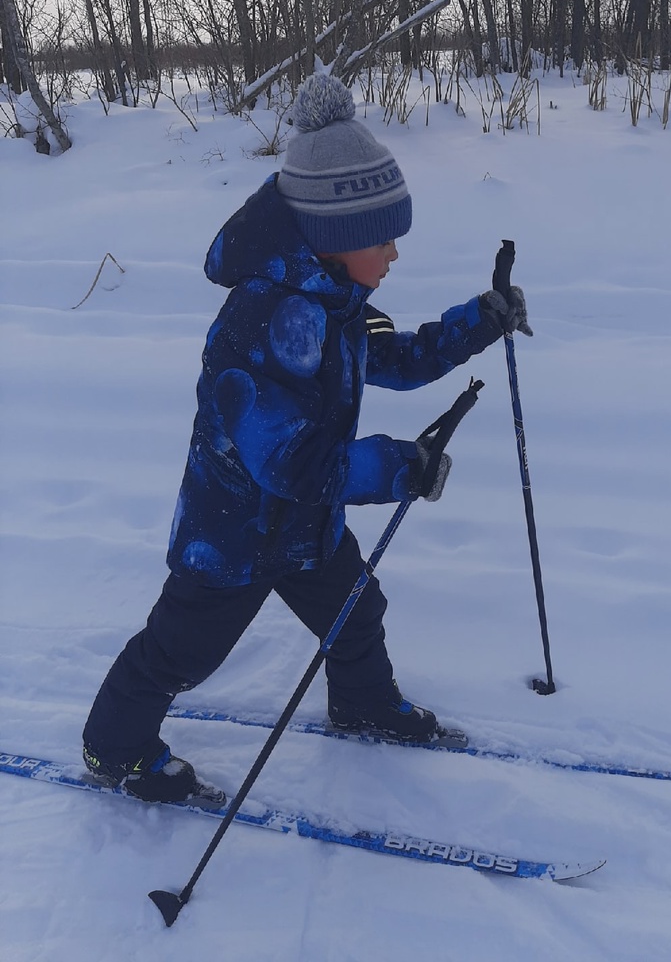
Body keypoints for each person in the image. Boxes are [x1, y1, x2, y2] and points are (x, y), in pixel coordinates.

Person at [82, 73, 532, 806]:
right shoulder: (265, 322)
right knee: (179, 653)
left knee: (357, 609)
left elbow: (392, 360)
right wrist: (397, 466)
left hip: (303, 524)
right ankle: (114, 748)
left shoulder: (337, 301)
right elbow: (289, 461)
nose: (393, 254)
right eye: (381, 238)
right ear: (334, 236)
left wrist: (479, 322)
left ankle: (361, 704)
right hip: (232, 537)